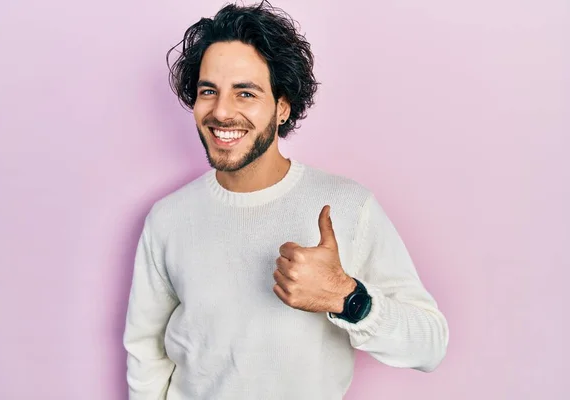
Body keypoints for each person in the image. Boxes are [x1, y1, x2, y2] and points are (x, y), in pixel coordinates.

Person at [123, 2, 449, 399]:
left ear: (282, 107)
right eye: (209, 91)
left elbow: (430, 346)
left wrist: (347, 297)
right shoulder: (168, 218)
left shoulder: (347, 206)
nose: (222, 111)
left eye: (246, 93)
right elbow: (145, 351)